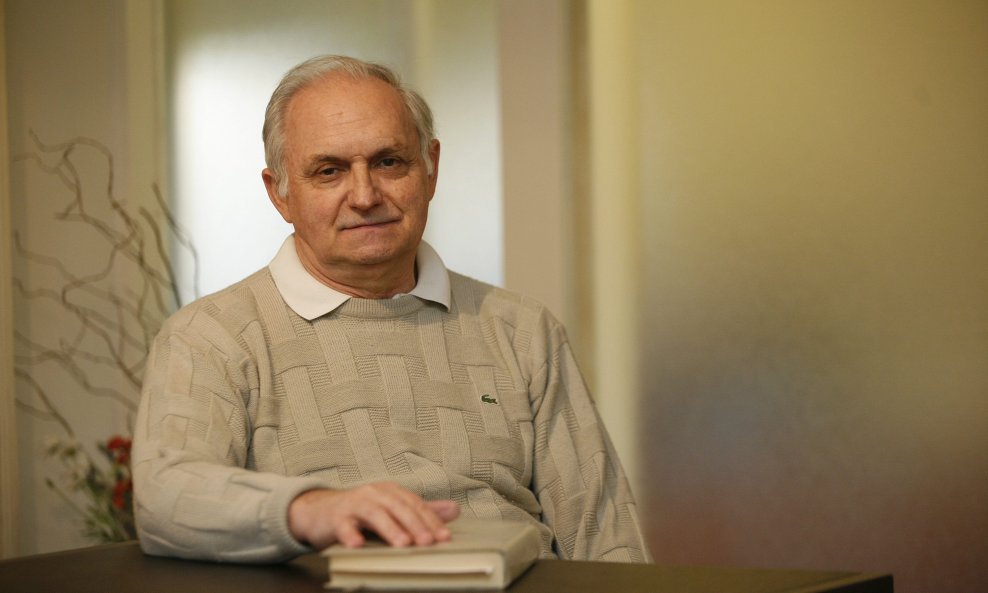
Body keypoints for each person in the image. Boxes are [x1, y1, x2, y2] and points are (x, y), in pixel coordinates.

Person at [132, 55, 650, 564]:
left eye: (388, 162)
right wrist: (310, 509)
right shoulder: (212, 336)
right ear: (280, 195)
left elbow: (607, 538)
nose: (364, 196)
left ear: (430, 169)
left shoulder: (523, 331)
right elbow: (166, 497)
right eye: (329, 171)